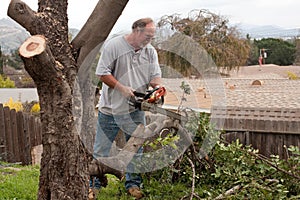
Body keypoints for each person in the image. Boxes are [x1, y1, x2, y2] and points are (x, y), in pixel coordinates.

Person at [89, 18, 163, 200]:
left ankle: (133, 185)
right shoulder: (114, 46)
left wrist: (155, 91)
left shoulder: (150, 51)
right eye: (147, 35)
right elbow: (102, 73)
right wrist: (122, 88)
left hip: (135, 110)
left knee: (135, 149)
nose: (150, 40)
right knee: (101, 150)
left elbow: (155, 77)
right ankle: (93, 186)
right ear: (136, 31)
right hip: (110, 109)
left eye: (152, 36)